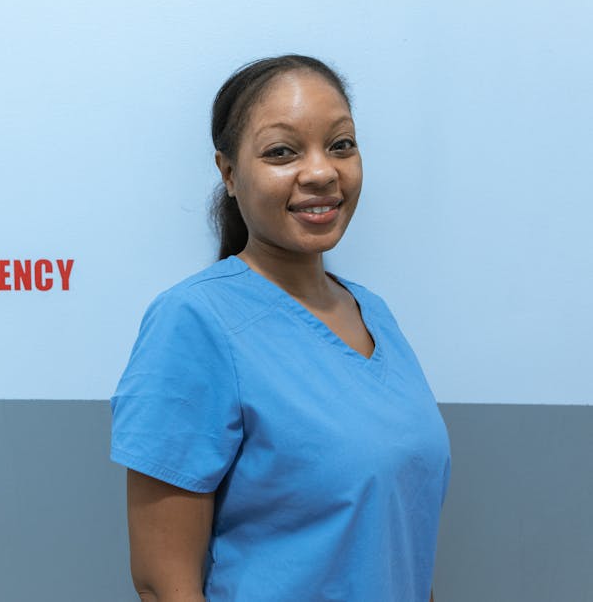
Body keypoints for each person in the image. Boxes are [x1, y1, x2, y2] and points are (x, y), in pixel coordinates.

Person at [109, 55, 452, 602]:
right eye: (281, 152)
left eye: (341, 144)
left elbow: (398, 545)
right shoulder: (195, 322)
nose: (321, 172)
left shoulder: (375, 314)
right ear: (228, 173)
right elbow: (162, 583)